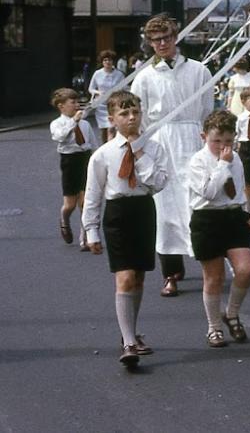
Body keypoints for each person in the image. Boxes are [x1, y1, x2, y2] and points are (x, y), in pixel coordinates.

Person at [81, 90, 169, 366]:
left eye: (135, 113)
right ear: (112, 119)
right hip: (118, 213)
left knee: (139, 278)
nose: (131, 118)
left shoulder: (154, 148)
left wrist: (140, 153)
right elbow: (93, 193)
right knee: (125, 277)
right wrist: (91, 229)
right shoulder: (103, 154)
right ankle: (129, 343)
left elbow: (158, 182)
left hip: (143, 210)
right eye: (124, 114)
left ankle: (130, 330)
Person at [131, 14, 213, 298]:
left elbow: (206, 111)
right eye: (156, 40)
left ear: (176, 37)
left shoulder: (199, 71)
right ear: (150, 43)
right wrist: (144, 150)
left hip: (191, 141)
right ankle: (170, 272)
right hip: (160, 143)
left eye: (166, 37)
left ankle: (206, 265)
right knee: (164, 209)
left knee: (195, 203)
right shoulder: (144, 77)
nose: (162, 43)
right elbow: (138, 118)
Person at [188, 110, 250, 348]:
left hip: (233, 217)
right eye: (216, 140)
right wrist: (222, 166)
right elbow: (208, 192)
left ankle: (232, 312)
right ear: (204, 137)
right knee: (214, 277)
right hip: (207, 219)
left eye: (228, 141)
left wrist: (248, 212)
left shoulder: (235, 158)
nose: (222, 146)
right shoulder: (198, 161)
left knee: (245, 270)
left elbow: (237, 190)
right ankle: (214, 327)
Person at [50, 88, 98, 247]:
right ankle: (64, 218)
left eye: (78, 102)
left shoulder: (85, 124)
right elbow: (60, 137)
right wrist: (73, 122)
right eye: (72, 102)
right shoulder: (57, 124)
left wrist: (97, 161)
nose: (77, 105)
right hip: (69, 162)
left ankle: (84, 239)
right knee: (70, 204)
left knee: (85, 202)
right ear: (61, 106)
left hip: (85, 159)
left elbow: (93, 144)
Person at [88, 50, 126, 143]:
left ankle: (111, 149)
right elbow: (91, 88)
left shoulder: (119, 74)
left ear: (113, 61)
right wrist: (98, 92)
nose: (107, 62)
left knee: (111, 128)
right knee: (103, 130)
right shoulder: (97, 73)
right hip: (101, 106)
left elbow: (124, 88)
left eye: (110, 60)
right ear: (102, 62)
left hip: (114, 105)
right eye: (105, 60)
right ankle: (104, 148)